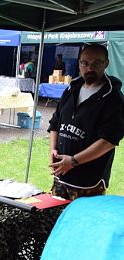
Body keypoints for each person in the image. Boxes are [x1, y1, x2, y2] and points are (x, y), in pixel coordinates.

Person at [48, 43, 124, 200]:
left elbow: (108, 141)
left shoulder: (113, 98)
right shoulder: (72, 89)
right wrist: (53, 150)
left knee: (82, 222)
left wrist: (74, 161)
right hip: (61, 175)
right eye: (85, 63)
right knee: (57, 219)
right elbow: (55, 123)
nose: (90, 68)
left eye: (97, 63)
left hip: (89, 181)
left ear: (106, 63)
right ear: (79, 63)